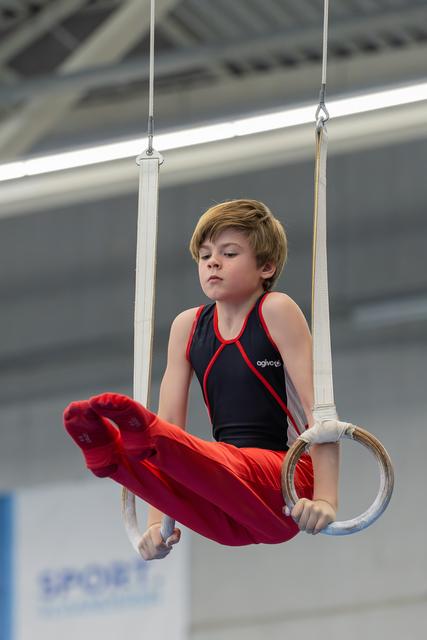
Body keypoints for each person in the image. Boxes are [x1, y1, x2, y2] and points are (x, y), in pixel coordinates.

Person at [64, 199, 339, 561]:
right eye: (205, 254)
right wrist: (155, 524)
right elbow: (169, 425)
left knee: (186, 448)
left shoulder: (276, 310)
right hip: (227, 502)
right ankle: (109, 457)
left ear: (266, 266)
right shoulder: (187, 327)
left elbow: (322, 415)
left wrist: (326, 500)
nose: (213, 262)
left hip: (286, 482)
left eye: (229, 253)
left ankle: (126, 452)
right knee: (166, 450)